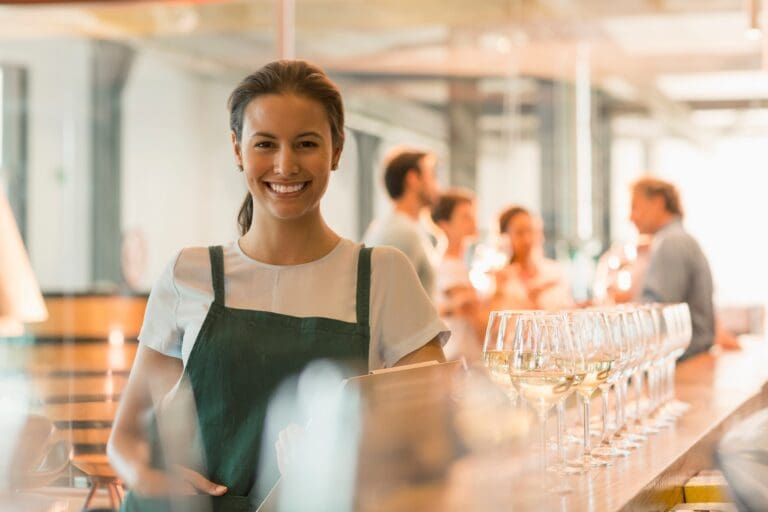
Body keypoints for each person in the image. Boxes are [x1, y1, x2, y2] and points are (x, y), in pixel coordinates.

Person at [107, 60, 448, 512]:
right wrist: (154, 480)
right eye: (265, 144)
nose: (285, 165)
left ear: (336, 150)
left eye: (306, 143)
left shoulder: (383, 275)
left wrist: (345, 462)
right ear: (238, 149)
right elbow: (127, 439)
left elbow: (430, 442)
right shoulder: (188, 274)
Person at [628, 176, 715, 359]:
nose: (631, 217)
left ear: (658, 202)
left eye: (635, 207)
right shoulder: (679, 238)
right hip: (691, 354)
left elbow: (655, 316)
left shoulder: (670, 242)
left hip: (681, 359)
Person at [363, 149, 440, 298]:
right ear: (412, 179)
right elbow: (392, 300)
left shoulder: (401, 227)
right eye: (432, 176)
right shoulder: (403, 233)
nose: (436, 185)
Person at [431, 189, 486, 361]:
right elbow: (476, 317)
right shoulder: (449, 267)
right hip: (460, 359)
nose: (473, 221)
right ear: (444, 225)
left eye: (473, 215)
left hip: (464, 356)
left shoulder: (458, 263)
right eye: (465, 217)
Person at [492, 206, 573, 311]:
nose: (527, 240)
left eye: (530, 231)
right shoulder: (498, 278)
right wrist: (499, 291)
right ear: (504, 238)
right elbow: (489, 319)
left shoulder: (554, 272)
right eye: (519, 233)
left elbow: (568, 312)